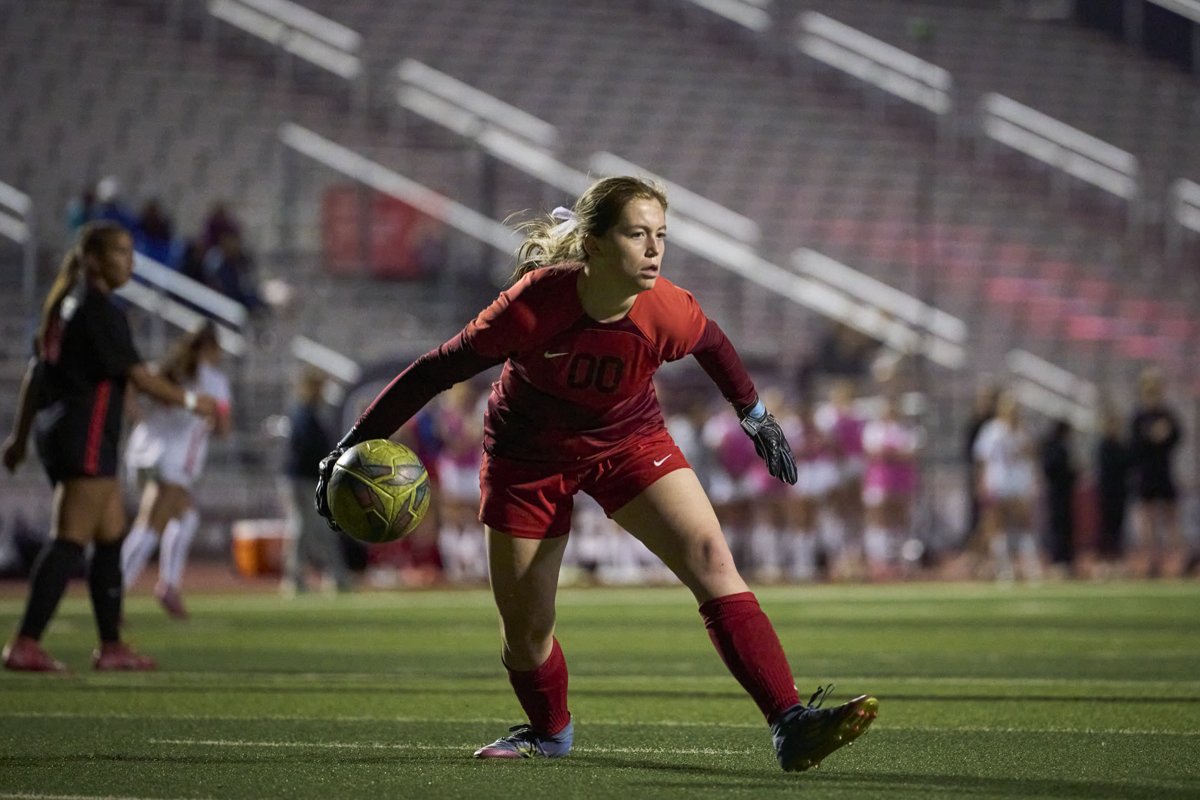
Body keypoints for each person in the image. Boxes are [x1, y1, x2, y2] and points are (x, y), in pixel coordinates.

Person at [313, 177, 877, 771]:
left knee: (713, 559)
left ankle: (789, 722)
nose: (654, 249)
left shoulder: (665, 308)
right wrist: (350, 442)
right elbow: (436, 369)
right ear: (595, 245)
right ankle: (549, 732)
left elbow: (713, 344)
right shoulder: (534, 305)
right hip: (527, 459)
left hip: (629, 442)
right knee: (526, 631)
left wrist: (755, 415)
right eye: (637, 235)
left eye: (661, 235)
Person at [1, 222, 218, 672]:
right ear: (93, 260)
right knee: (69, 540)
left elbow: (35, 377)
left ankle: (112, 647)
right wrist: (192, 401)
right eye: (120, 253)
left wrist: (19, 438)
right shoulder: (98, 310)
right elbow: (139, 376)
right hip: (85, 433)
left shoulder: (63, 307)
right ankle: (25, 642)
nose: (130, 262)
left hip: (65, 431)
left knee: (110, 537)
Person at [121, 320, 233, 619]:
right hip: (174, 459)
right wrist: (211, 421)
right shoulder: (213, 381)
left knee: (187, 517)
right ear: (212, 348)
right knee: (150, 525)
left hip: (142, 450)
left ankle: (168, 584)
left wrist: (137, 416)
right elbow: (223, 428)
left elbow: (130, 383)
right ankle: (115, 592)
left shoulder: (168, 368)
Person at [280, 368, 352, 596]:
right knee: (305, 528)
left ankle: (329, 576)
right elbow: (307, 449)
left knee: (311, 528)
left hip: (308, 478)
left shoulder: (309, 412)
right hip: (303, 479)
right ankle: (302, 577)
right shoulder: (303, 413)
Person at [973, 391, 1041, 582]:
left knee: (1024, 524)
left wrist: (1033, 478)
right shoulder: (992, 431)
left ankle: (1030, 565)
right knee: (997, 525)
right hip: (999, 481)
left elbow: (1032, 456)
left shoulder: (1023, 431)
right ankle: (1004, 568)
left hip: (1019, 482)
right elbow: (982, 459)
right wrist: (981, 482)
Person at [1127, 367, 1185, 577]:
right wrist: (1151, 437)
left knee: (1171, 516)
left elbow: (1177, 437)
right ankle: (1151, 560)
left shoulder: (1167, 415)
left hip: (1164, 471)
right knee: (1147, 518)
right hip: (1146, 473)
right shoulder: (1139, 416)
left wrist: (1164, 435)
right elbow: (1134, 446)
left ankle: (1177, 560)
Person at [1038, 418, 1077, 577]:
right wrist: (1071, 474)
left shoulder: (1053, 446)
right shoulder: (1056, 448)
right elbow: (1053, 469)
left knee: (1062, 526)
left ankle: (1063, 559)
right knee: (1059, 527)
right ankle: (1059, 560)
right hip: (1058, 492)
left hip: (1059, 492)